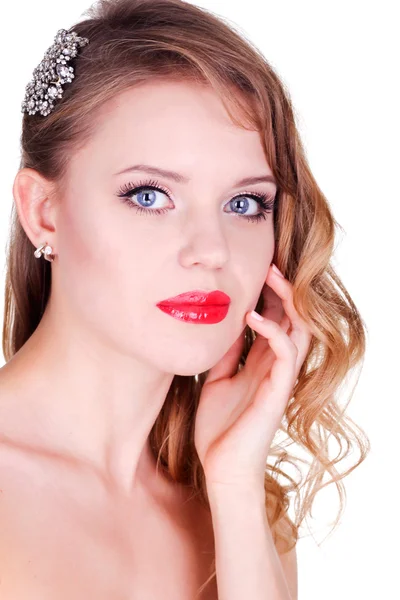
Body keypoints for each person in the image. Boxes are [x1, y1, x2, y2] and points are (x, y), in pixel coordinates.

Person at [0, 0, 370, 598]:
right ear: (44, 212)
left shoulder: (246, 508)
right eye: (149, 196)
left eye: (245, 204)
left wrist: (235, 488)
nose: (211, 250)